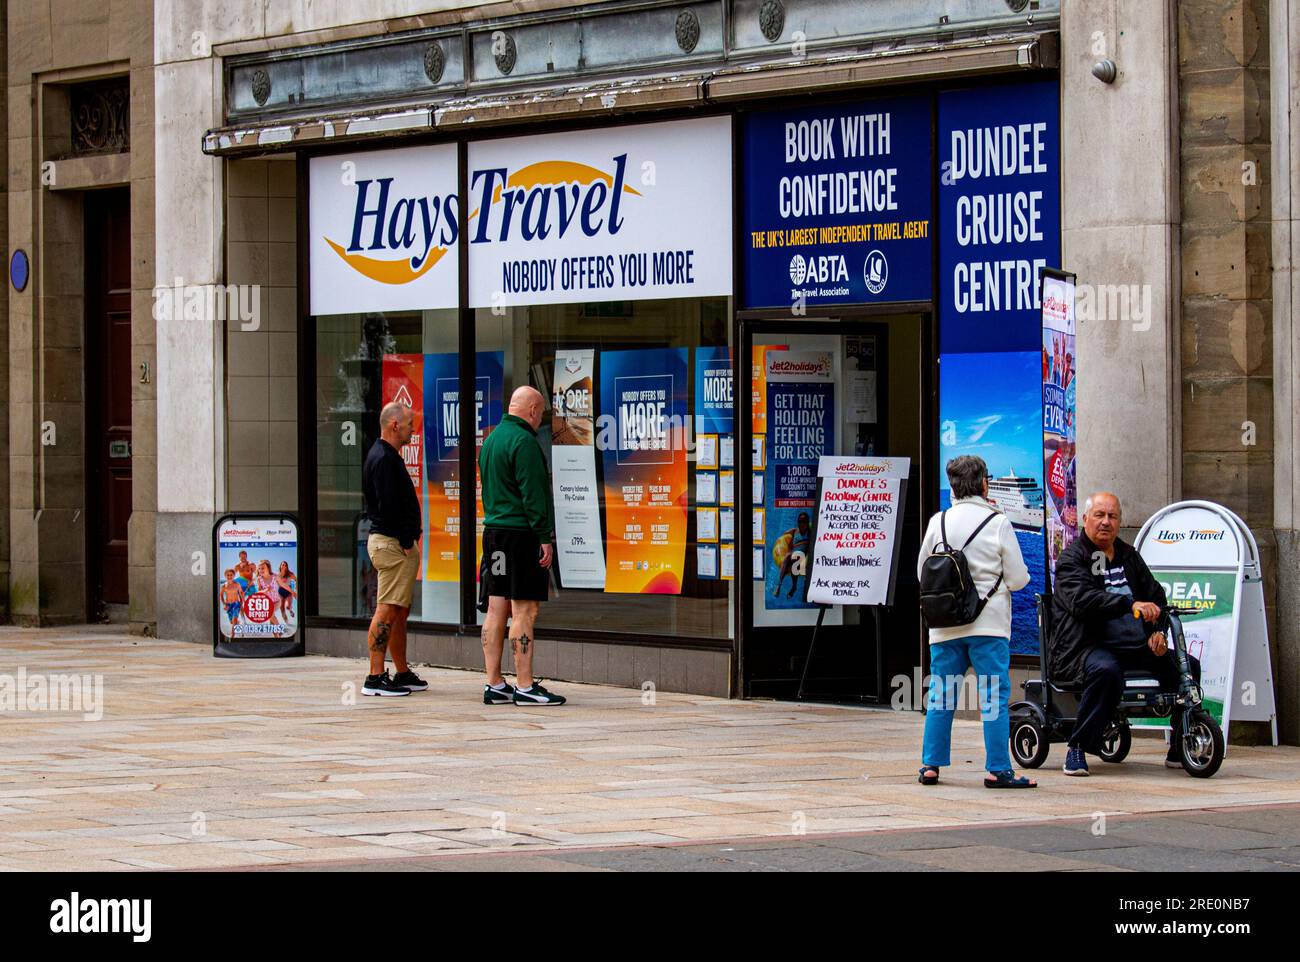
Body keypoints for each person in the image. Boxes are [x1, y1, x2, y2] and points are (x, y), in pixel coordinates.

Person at [1051, 492, 1201, 776]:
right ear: (1085, 519)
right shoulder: (1073, 559)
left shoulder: (1128, 556)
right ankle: (1077, 747)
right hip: (1086, 648)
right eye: (1099, 515)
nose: (1106, 522)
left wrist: (1157, 632)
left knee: (1188, 668)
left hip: (1136, 647)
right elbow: (1084, 601)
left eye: (1112, 516)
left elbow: (1157, 597)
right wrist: (1130, 604)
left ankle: (1180, 747)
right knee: (1106, 671)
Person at [916, 455, 1034, 788]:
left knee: (941, 695)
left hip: (944, 626)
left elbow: (921, 572)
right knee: (993, 697)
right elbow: (1018, 578)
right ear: (984, 484)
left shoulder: (937, 522)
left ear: (953, 485)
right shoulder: (997, 522)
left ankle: (930, 766)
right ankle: (998, 769)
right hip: (989, 626)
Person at [478, 385, 565, 706]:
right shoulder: (524, 442)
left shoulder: (491, 440)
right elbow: (534, 494)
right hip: (521, 535)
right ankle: (525, 686)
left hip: (494, 534)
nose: (539, 418)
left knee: (495, 607)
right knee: (525, 610)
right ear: (532, 411)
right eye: (540, 412)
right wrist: (544, 536)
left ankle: (494, 683)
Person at [360, 401, 427, 697]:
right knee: (386, 610)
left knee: (398, 611)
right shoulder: (384, 458)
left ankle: (401, 672)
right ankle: (375, 677)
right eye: (410, 423)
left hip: (394, 543)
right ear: (394, 425)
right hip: (391, 545)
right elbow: (387, 507)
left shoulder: (386, 455)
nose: (414, 428)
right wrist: (405, 540)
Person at [772, 512, 811, 599]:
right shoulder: (794, 531)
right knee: (788, 557)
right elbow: (785, 535)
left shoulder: (810, 533)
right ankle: (779, 585)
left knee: (794, 558)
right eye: (800, 521)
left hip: (802, 556)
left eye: (804, 521)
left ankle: (793, 587)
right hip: (793, 555)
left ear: (807, 522)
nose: (802, 523)